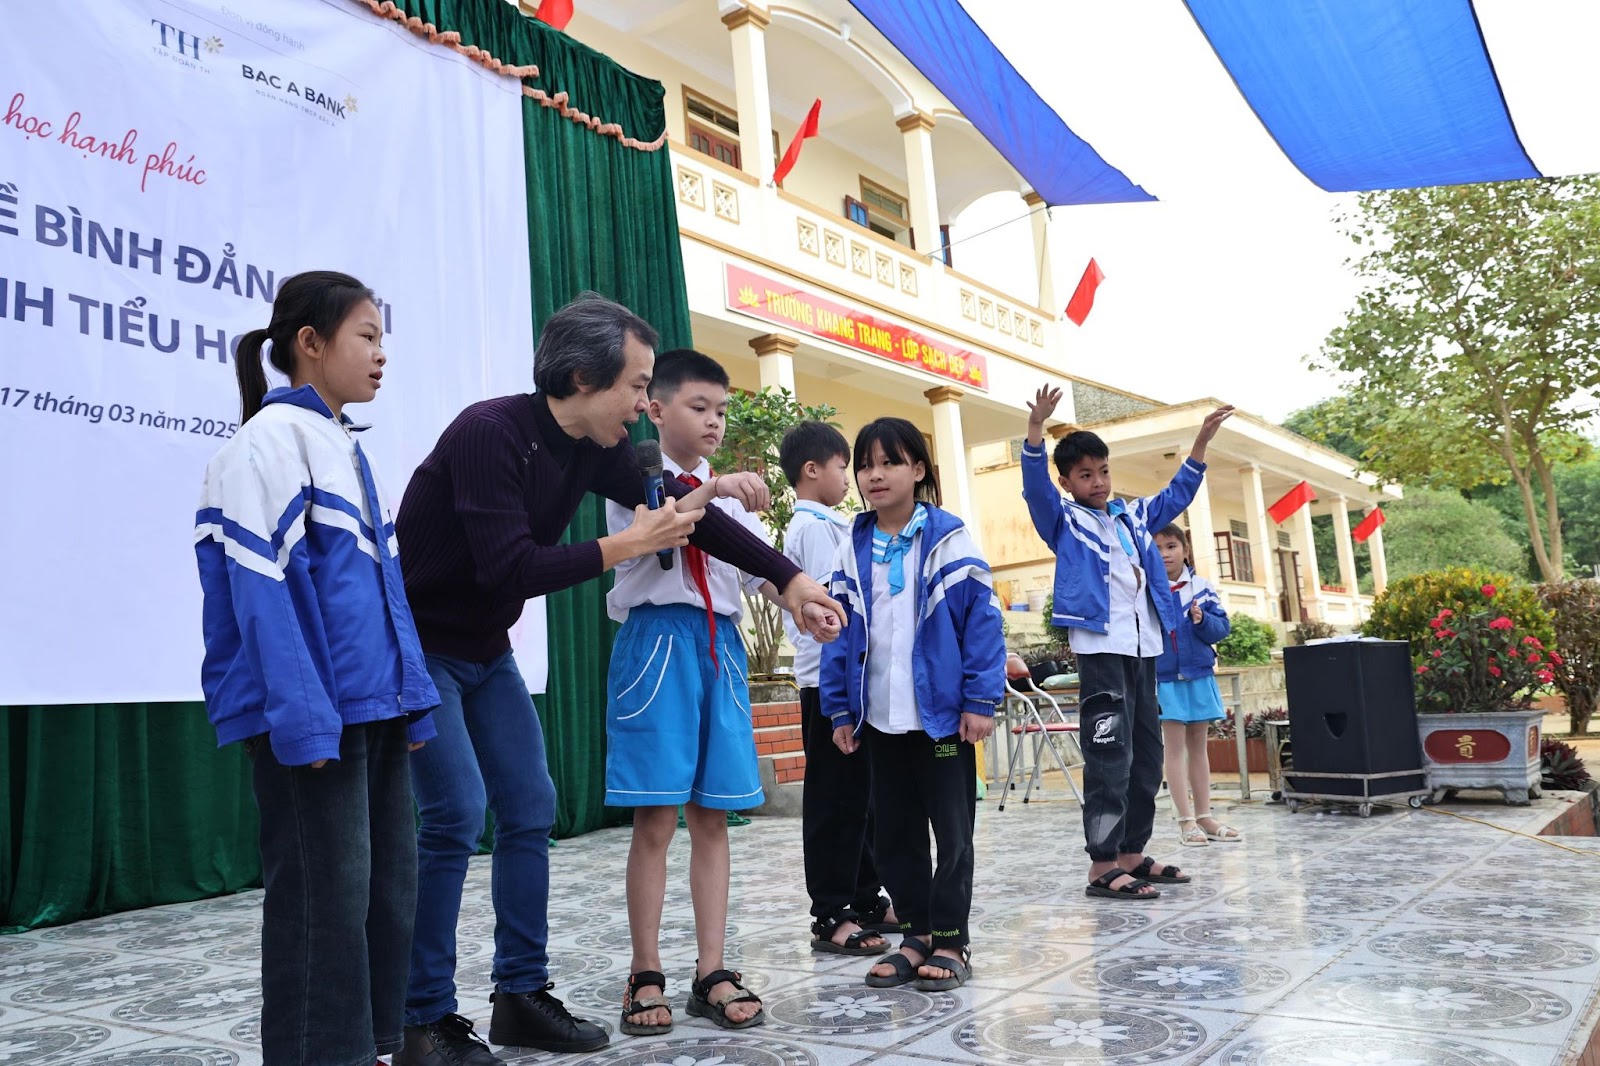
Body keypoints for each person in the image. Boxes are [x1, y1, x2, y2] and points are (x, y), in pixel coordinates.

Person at [392, 295, 842, 1065]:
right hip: (423, 648)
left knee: (530, 806)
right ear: (581, 378)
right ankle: (422, 1017)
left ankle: (519, 995)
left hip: (486, 651)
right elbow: (510, 568)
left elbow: (688, 517)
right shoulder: (489, 433)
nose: (642, 404)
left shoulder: (596, 450)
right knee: (456, 813)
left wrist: (791, 579)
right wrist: (628, 544)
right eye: (636, 386)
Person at [195, 270, 440, 1066]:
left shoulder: (344, 445)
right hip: (316, 721)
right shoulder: (266, 443)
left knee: (384, 895)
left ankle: (368, 1049)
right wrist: (304, 722)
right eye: (366, 337)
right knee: (321, 904)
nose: (380, 355)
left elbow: (384, 593)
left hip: (372, 708)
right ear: (309, 342)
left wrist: (412, 699)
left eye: (382, 340)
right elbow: (261, 594)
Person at [605, 349, 801, 1035]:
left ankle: (711, 971)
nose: (714, 421)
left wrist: (802, 598)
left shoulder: (731, 495)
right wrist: (714, 492)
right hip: (657, 645)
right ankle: (645, 972)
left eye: (721, 410)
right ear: (656, 409)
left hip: (721, 647)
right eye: (699, 407)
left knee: (713, 818)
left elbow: (758, 572)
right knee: (657, 819)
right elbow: (664, 523)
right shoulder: (631, 474)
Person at [1021, 385, 1232, 902]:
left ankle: (1133, 853)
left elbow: (1176, 495)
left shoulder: (1133, 516)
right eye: (1085, 475)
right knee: (1108, 754)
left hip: (1144, 648)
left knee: (1146, 755)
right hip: (1101, 649)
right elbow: (1034, 489)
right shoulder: (1063, 520)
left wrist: (1200, 444)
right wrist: (1035, 431)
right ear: (1067, 481)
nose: (1097, 482)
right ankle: (1102, 863)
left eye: (1103, 471)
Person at [821, 418, 1005, 992]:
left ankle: (951, 938)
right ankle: (917, 934)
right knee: (894, 835)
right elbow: (836, 630)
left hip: (942, 719)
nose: (874, 476)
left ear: (918, 469)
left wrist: (979, 698)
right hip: (880, 717)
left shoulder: (950, 539)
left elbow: (983, 621)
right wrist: (840, 709)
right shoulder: (852, 545)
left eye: (890, 462)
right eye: (865, 466)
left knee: (952, 834)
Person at [778, 421, 896, 957]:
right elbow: (835, 606)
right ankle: (830, 911)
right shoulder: (814, 528)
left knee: (860, 796)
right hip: (829, 682)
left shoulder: (831, 525)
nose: (851, 479)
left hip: (849, 680)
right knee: (834, 799)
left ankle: (866, 898)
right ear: (812, 470)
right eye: (845, 467)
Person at [1153, 523, 1243, 846]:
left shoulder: (1202, 588)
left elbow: (1222, 628)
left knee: (1199, 748)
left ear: (1185, 550)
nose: (1165, 554)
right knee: (1174, 750)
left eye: (1171, 546)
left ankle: (1205, 816)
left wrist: (1202, 620)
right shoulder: (1148, 588)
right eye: (1157, 549)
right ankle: (1185, 821)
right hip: (1165, 679)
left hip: (1200, 675)